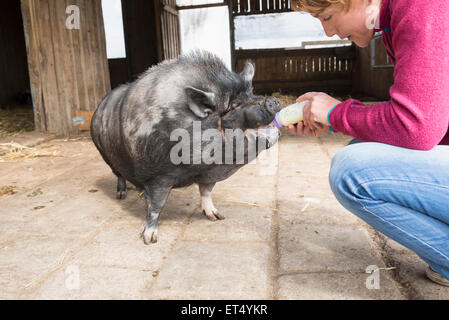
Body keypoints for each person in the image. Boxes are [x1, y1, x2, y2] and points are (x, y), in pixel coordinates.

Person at [289, 0, 449, 286]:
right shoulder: (392, 18)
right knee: (360, 151)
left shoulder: (421, 6)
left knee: (352, 171)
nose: (327, 32)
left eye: (327, 17)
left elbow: (418, 128)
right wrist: (334, 117)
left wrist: (336, 113)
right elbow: (431, 120)